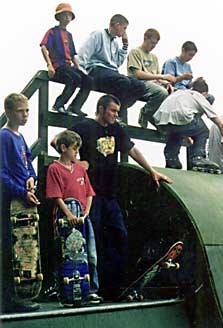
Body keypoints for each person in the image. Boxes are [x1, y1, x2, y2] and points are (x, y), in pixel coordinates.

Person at [52, 94, 173, 300]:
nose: (116, 115)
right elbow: (57, 141)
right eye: (113, 111)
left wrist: (152, 171)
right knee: (94, 239)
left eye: (118, 111)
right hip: (91, 194)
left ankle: (114, 286)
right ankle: (91, 289)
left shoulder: (116, 129)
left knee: (119, 235)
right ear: (101, 109)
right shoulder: (85, 126)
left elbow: (132, 150)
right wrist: (74, 164)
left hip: (111, 194)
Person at [45, 130, 103, 305]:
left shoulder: (79, 169)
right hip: (64, 218)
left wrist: (85, 213)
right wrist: (69, 214)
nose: (77, 153)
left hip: (83, 219)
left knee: (89, 254)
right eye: (74, 149)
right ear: (63, 148)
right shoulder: (54, 169)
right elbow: (56, 196)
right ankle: (63, 291)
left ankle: (91, 289)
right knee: (65, 254)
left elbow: (89, 193)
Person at [0, 93, 40, 312]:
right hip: (10, 201)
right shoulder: (4, 136)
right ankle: (8, 299)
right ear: (8, 112)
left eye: (27, 111)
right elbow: (2, 174)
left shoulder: (20, 137)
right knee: (8, 249)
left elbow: (28, 164)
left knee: (22, 249)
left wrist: (31, 179)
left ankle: (18, 295)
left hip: (23, 199)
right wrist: (21, 192)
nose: (25, 115)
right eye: (20, 111)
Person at [153, 80, 223, 170]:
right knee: (203, 131)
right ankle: (198, 157)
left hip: (161, 120)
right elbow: (221, 125)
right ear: (205, 93)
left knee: (177, 132)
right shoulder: (199, 97)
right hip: (182, 117)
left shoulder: (180, 91)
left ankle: (172, 159)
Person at [78, 14, 145, 122]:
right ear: (117, 25)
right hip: (97, 70)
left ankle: (121, 108)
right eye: (124, 28)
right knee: (123, 81)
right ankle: (119, 115)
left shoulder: (114, 42)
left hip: (111, 72)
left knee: (140, 86)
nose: (125, 31)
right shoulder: (98, 34)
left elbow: (117, 63)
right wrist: (81, 70)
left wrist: (125, 45)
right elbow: (84, 52)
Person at [40, 3, 91, 116]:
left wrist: (79, 69)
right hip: (58, 65)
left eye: (69, 15)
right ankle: (59, 104)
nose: (67, 18)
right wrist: (49, 65)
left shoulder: (69, 35)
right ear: (59, 16)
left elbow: (72, 55)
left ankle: (75, 106)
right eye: (65, 15)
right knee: (74, 78)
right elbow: (43, 47)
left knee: (88, 80)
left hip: (69, 66)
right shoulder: (52, 32)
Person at [127, 28, 175, 129]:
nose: (153, 46)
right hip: (139, 83)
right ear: (145, 38)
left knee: (173, 94)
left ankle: (163, 123)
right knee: (161, 92)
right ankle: (145, 113)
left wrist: (166, 82)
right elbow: (137, 74)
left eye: (155, 44)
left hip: (154, 84)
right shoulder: (135, 52)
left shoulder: (154, 57)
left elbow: (157, 76)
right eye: (152, 43)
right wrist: (161, 76)